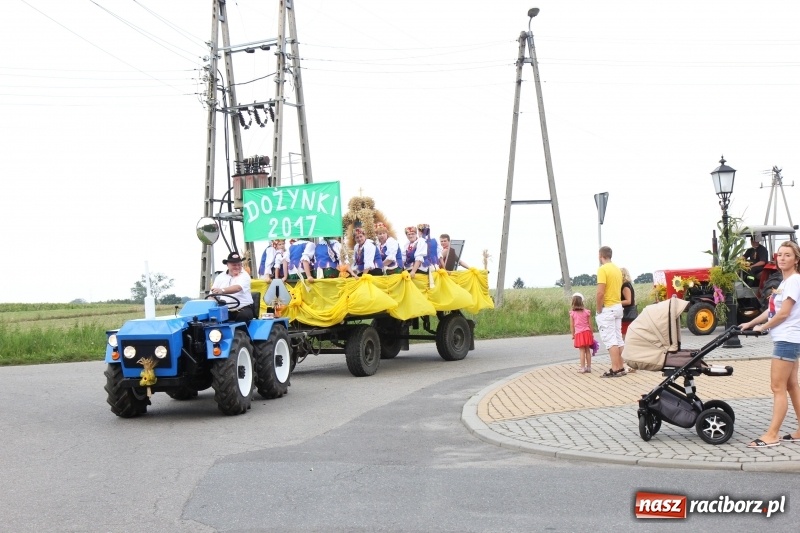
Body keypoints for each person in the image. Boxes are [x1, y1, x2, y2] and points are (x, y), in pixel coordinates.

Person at [740, 240, 800, 448]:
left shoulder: (793, 281)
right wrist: (751, 322)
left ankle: (772, 434)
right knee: (791, 385)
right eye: (780, 254)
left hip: (786, 339)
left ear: (796, 259)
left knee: (777, 387)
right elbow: (772, 310)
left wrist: (764, 327)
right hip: (789, 339)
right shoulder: (785, 282)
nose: (782, 258)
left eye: (788, 255)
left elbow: (784, 313)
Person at [596, 246, 626, 378]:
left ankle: (615, 368)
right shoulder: (617, 269)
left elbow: (600, 292)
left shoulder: (603, 269)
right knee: (619, 338)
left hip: (608, 307)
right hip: (618, 306)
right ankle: (621, 366)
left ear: (600, 255)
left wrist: (598, 308)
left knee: (610, 339)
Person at [210, 251, 254, 321]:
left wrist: (222, 290)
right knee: (211, 317)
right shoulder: (220, 277)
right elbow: (212, 295)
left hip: (243, 308)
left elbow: (237, 288)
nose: (237, 267)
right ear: (227, 264)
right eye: (234, 265)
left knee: (243, 316)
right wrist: (214, 303)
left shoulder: (245, 276)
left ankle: (240, 332)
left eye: (239, 265)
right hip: (225, 310)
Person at [570, 292, 594, 373]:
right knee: (587, 350)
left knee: (581, 351)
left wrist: (573, 334)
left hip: (579, 333)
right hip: (587, 332)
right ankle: (589, 367)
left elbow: (572, 325)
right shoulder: (587, 312)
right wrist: (592, 333)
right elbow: (590, 324)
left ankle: (582, 367)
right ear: (582, 302)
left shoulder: (572, 313)